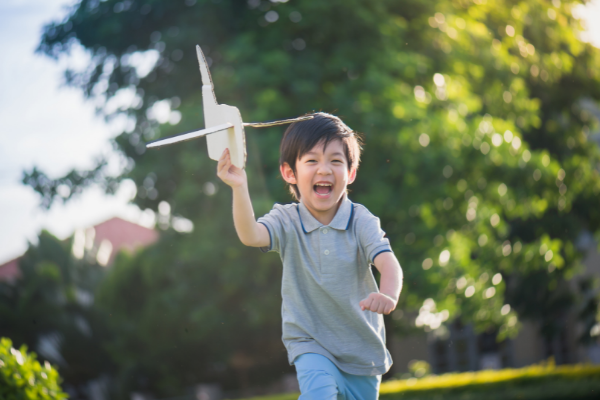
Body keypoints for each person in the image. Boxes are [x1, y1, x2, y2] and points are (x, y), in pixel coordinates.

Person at [216, 112, 403, 399]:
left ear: (351, 173)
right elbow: (250, 235)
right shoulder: (286, 220)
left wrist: (388, 294)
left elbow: (389, 264)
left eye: (336, 161)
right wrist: (239, 186)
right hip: (310, 343)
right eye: (312, 160)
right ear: (290, 172)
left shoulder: (361, 220)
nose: (324, 170)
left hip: (361, 352)